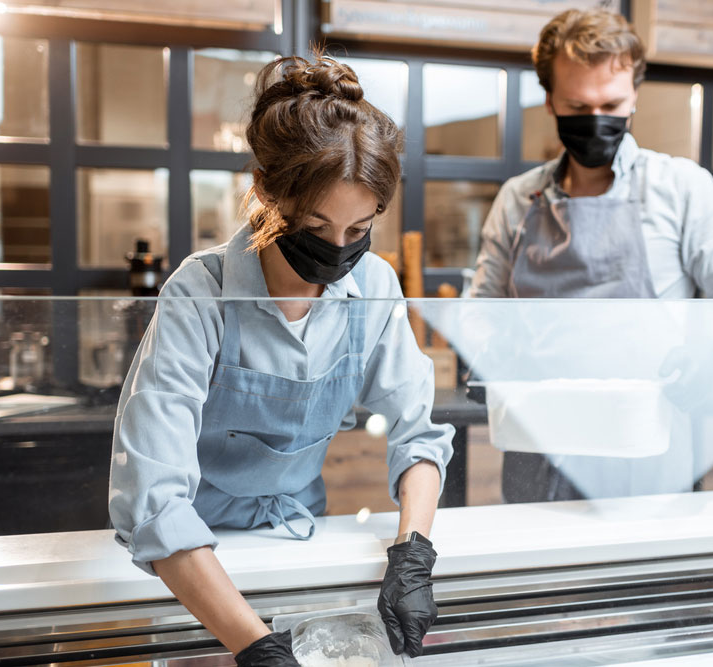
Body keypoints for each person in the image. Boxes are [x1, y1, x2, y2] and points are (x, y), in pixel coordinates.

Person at [108, 55, 454, 664]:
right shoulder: (202, 292)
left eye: (359, 228)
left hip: (300, 545)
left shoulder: (373, 286)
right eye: (317, 225)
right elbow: (154, 500)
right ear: (267, 192)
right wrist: (257, 648)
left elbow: (419, 435)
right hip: (191, 572)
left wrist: (414, 553)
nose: (339, 249)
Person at [469, 8, 713, 503]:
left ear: (634, 98)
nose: (595, 121)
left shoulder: (682, 189)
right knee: (540, 578)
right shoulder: (518, 198)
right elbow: (479, 305)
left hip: (647, 449)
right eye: (577, 105)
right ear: (548, 101)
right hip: (536, 448)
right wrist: (486, 349)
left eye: (611, 104)